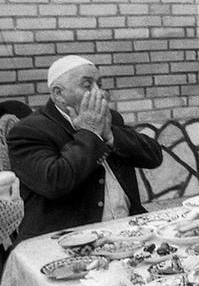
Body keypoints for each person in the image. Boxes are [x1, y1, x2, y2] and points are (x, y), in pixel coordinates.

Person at [7, 55, 163, 242]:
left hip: (127, 231)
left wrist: (110, 135)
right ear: (59, 94)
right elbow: (55, 181)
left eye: (100, 84)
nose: (100, 93)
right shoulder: (28, 131)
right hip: (65, 241)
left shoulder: (108, 118)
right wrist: (90, 133)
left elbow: (154, 156)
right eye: (88, 86)